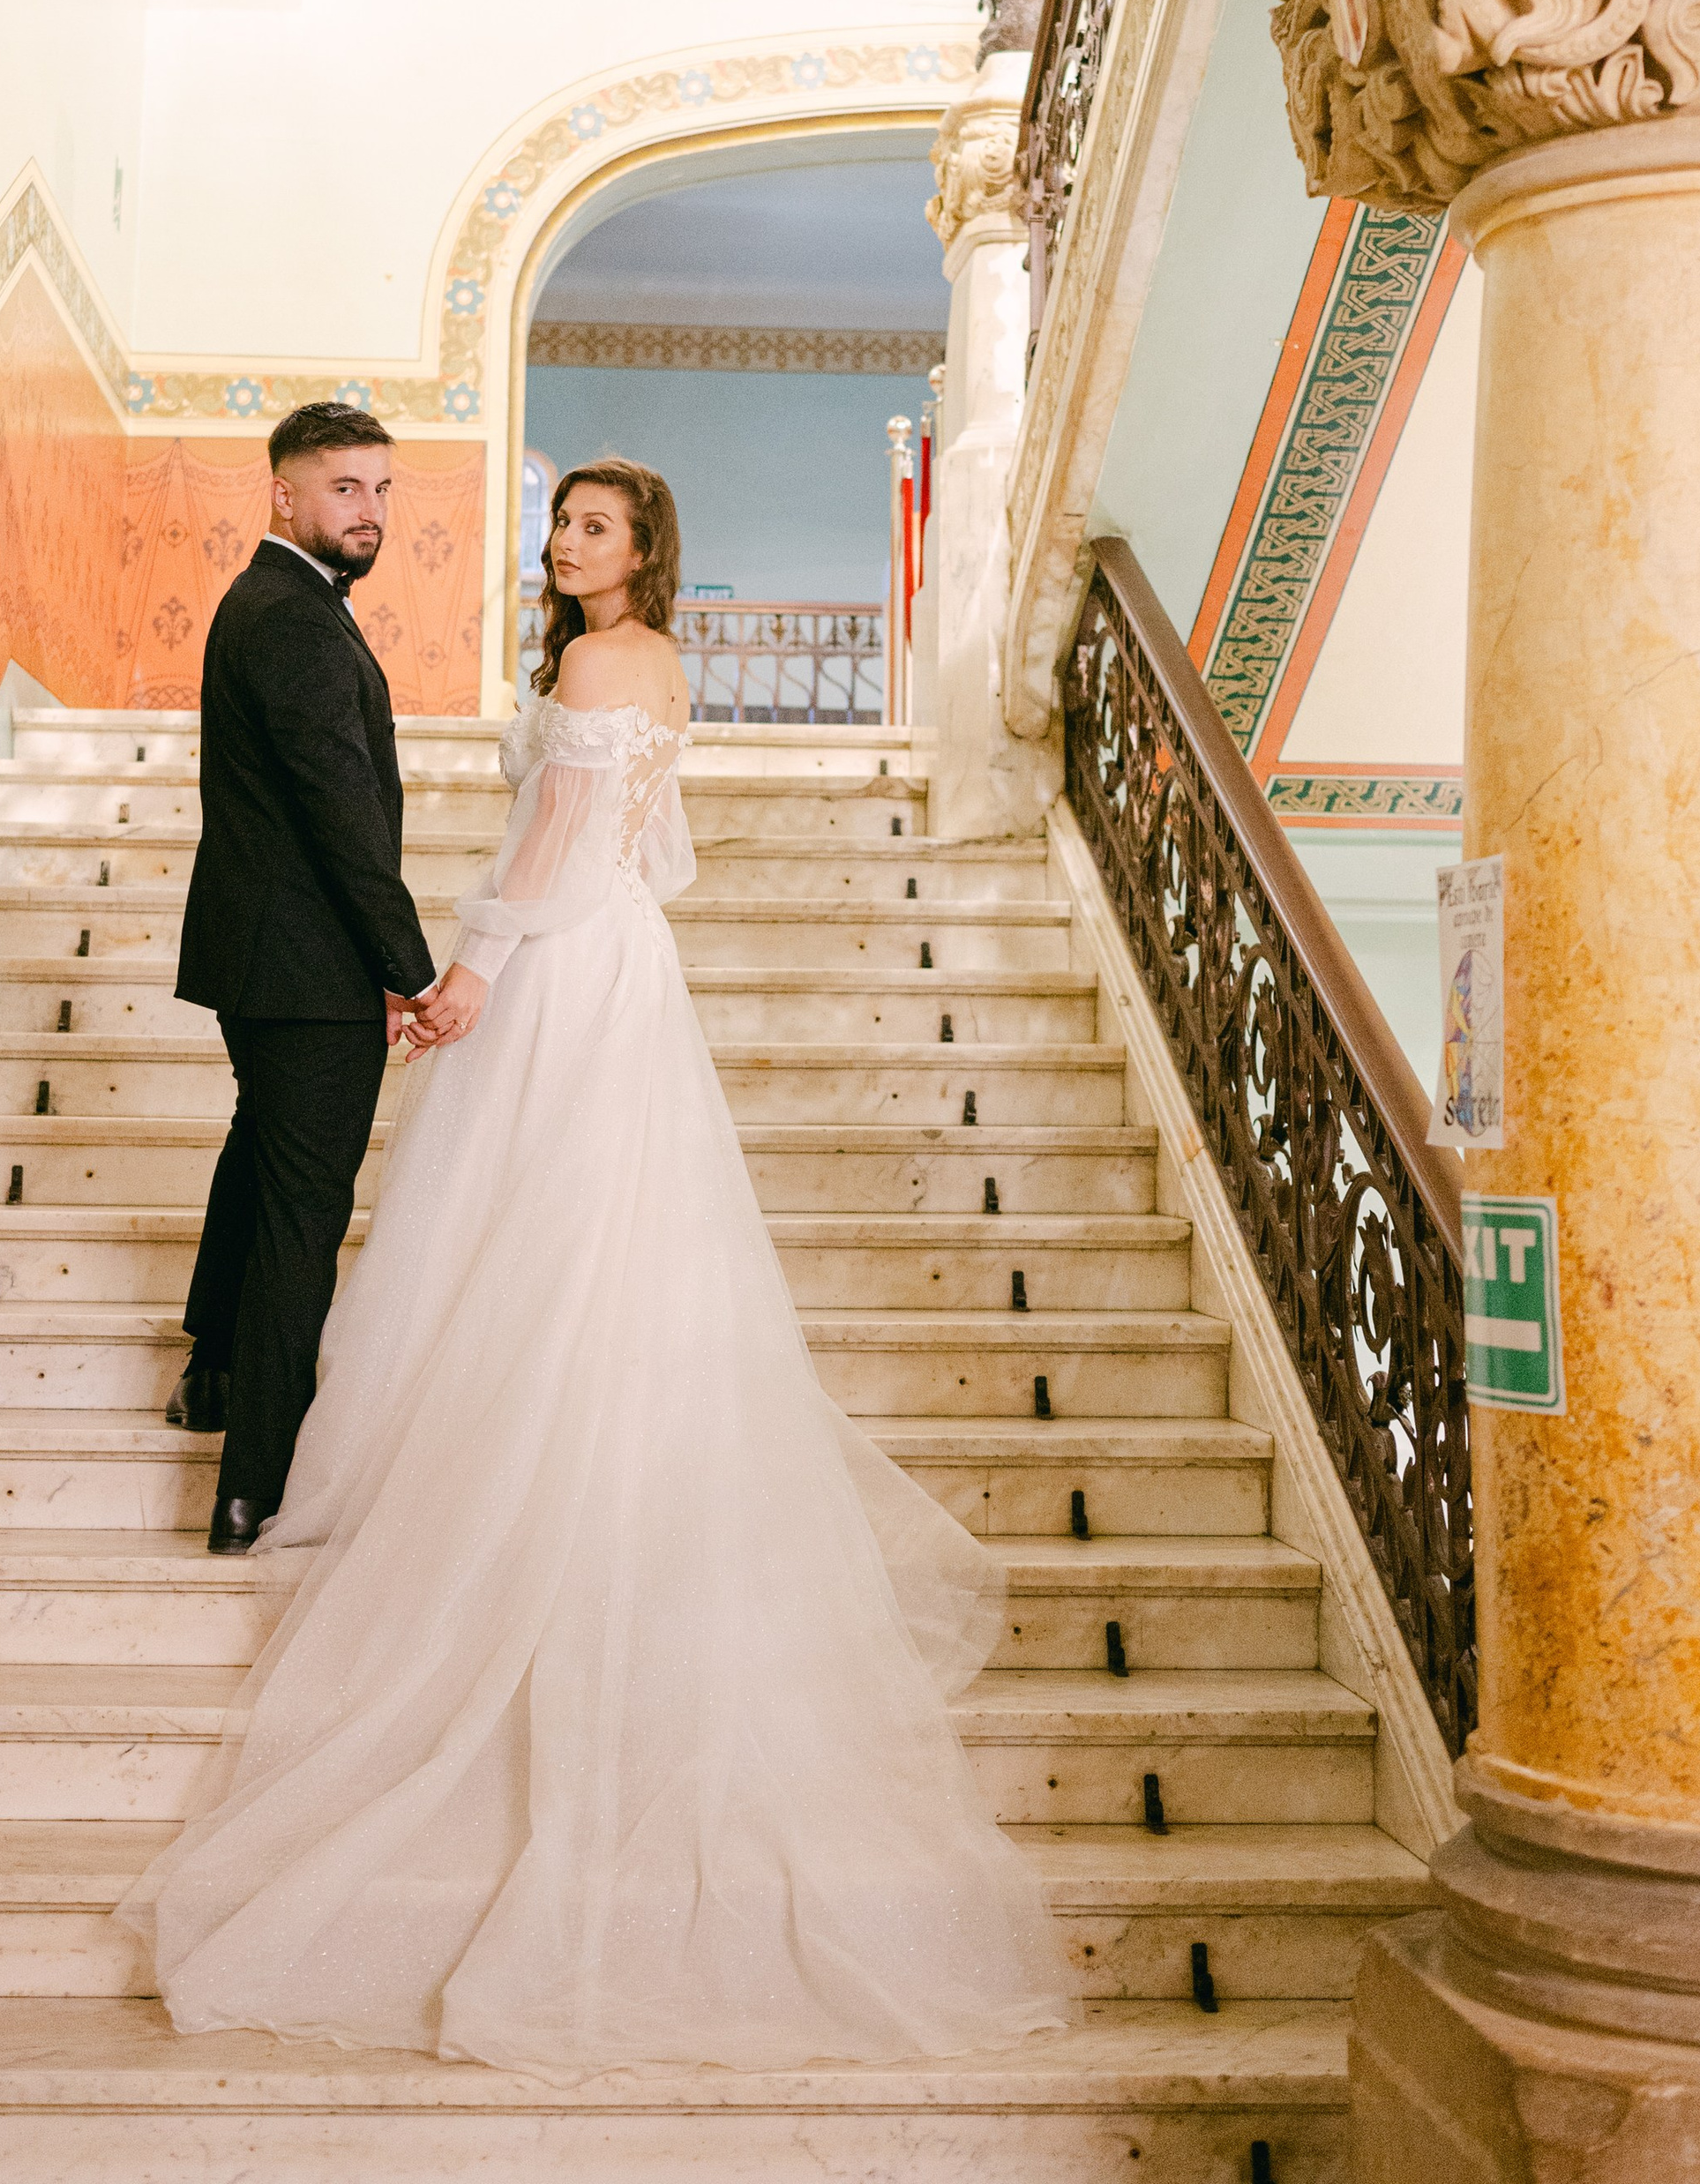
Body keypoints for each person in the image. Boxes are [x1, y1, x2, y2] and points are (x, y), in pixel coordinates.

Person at [124, 455, 1077, 2071]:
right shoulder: (645, 664)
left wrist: (467, 966)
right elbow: (643, 852)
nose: (569, 544)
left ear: (646, 553)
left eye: (599, 529)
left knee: (530, 1234)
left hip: (564, 962)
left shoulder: (593, 663)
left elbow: (568, 845)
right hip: (617, 960)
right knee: (563, 1240)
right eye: (561, 523)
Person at [170, 401, 442, 1556]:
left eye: (380, 490)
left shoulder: (278, 603)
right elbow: (342, 819)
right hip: (307, 967)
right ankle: (252, 1496)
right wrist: (413, 972)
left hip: (269, 957)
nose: (369, 511)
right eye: (345, 488)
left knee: (259, 1151)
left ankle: (215, 1368)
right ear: (283, 492)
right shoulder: (289, 620)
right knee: (301, 1216)